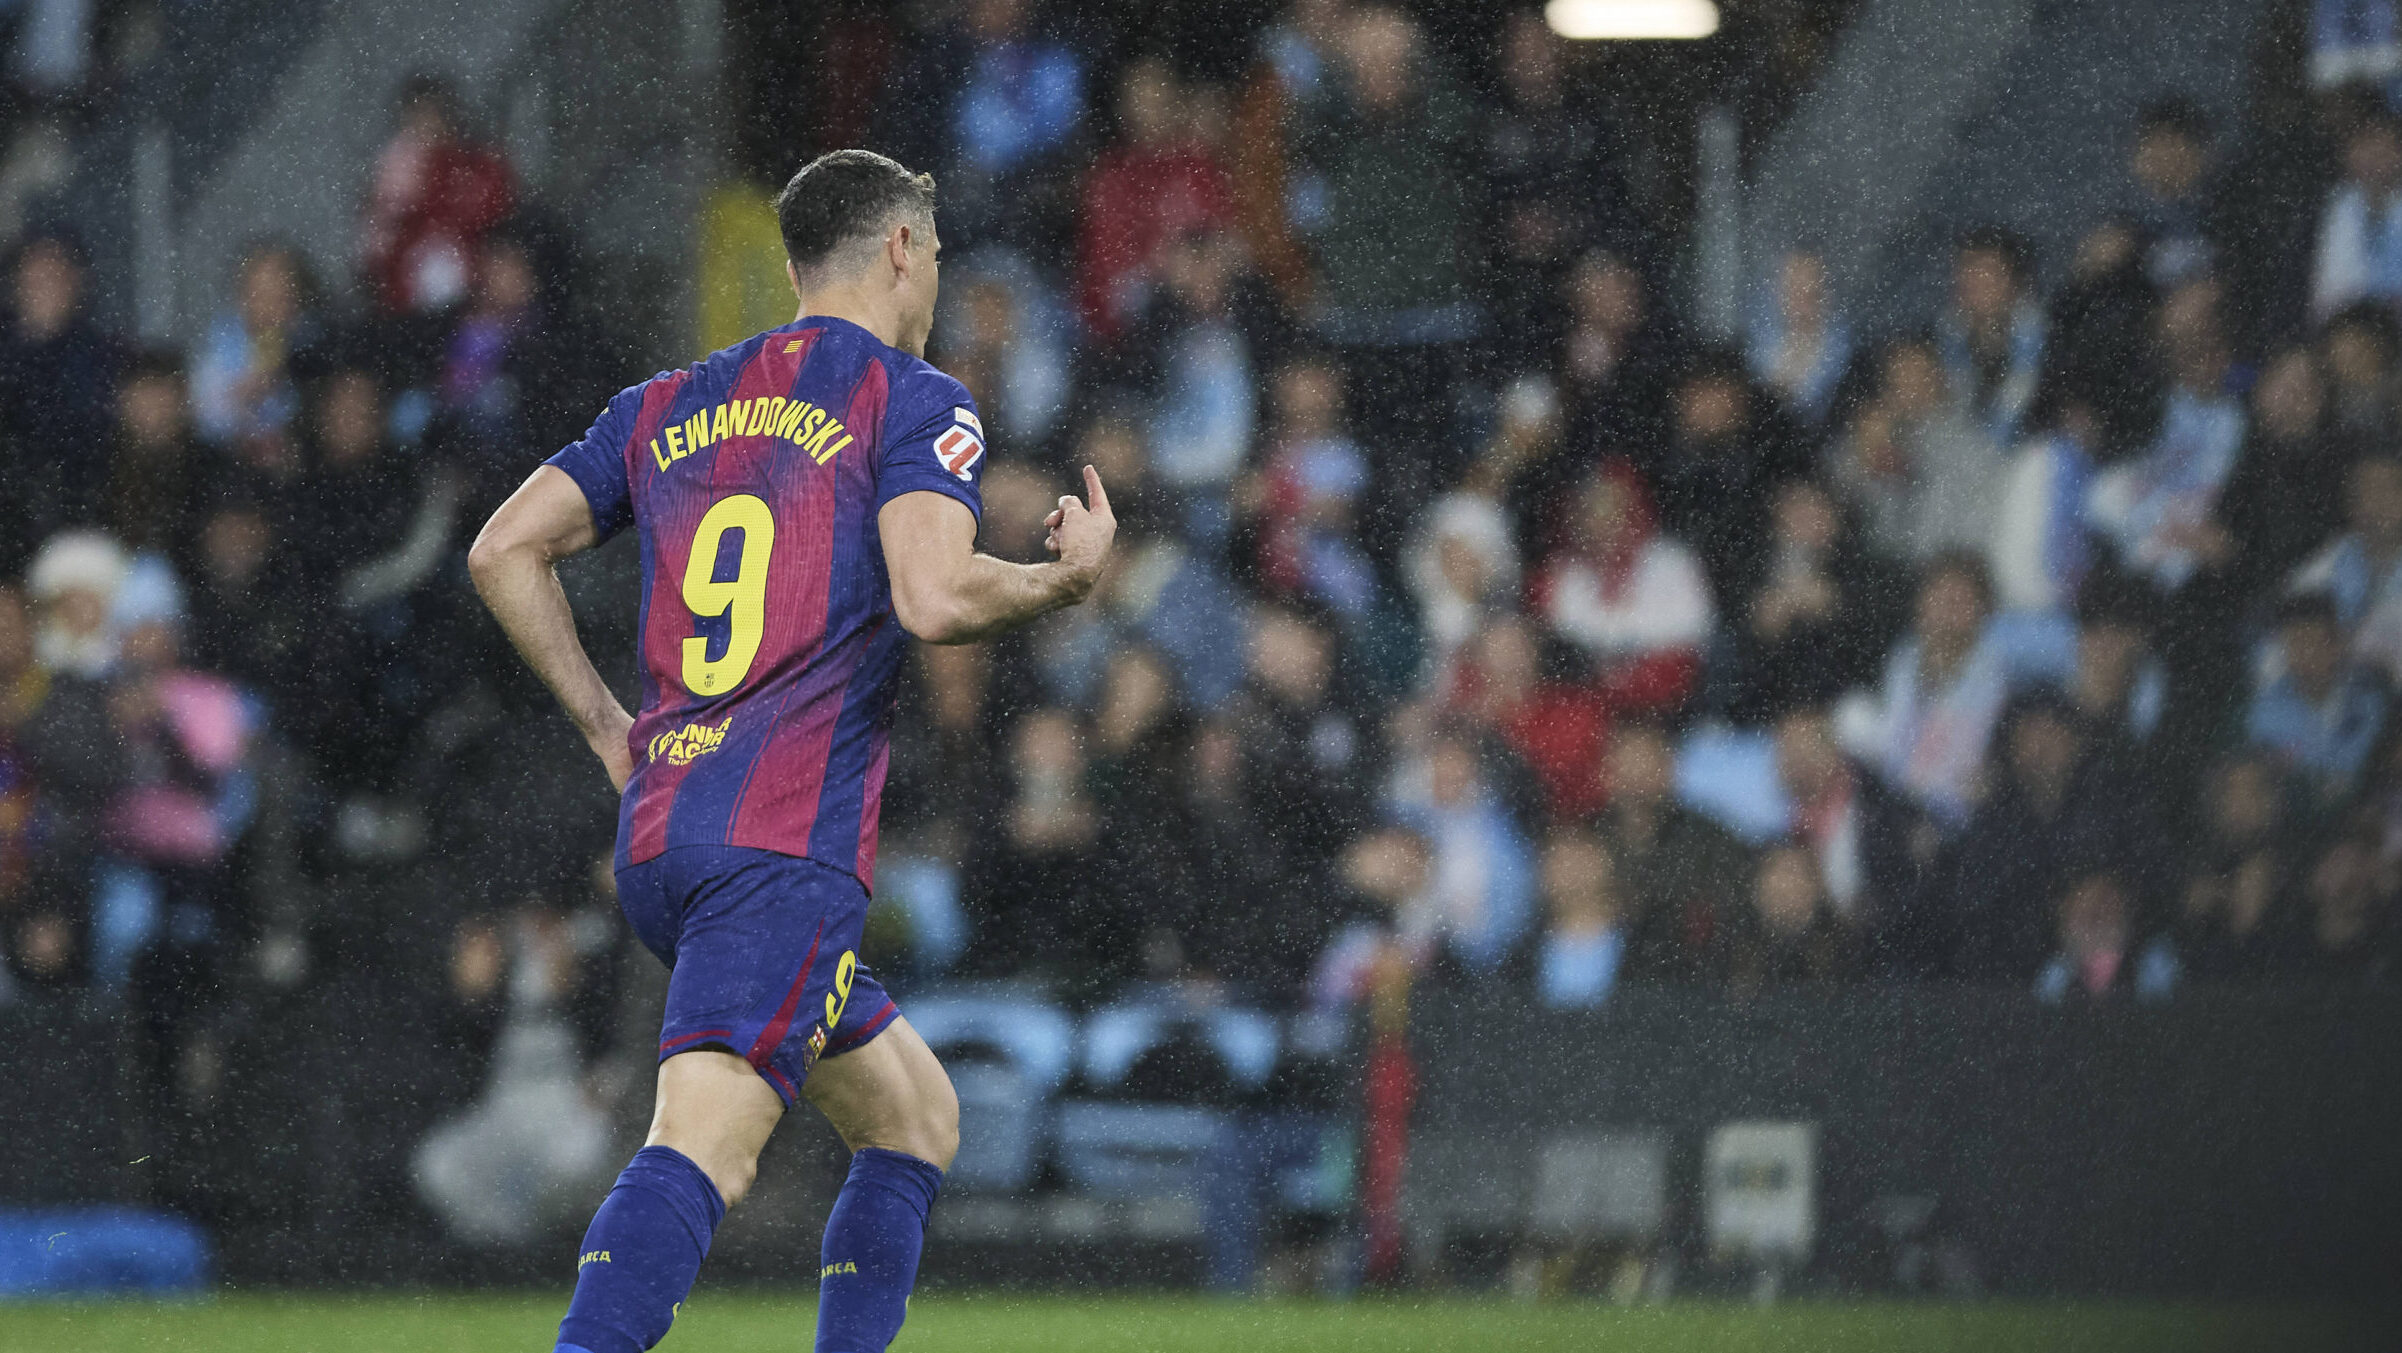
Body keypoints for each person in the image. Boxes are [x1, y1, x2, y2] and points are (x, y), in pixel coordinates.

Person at [468, 149, 1117, 1353]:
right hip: (779, 846)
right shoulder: (913, 397)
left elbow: (501, 549)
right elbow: (932, 596)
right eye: (934, 252)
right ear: (903, 249)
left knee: (914, 1116)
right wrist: (1059, 581)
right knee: (701, 1143)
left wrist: (609, 727)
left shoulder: (670, 400)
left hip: (666, 834)